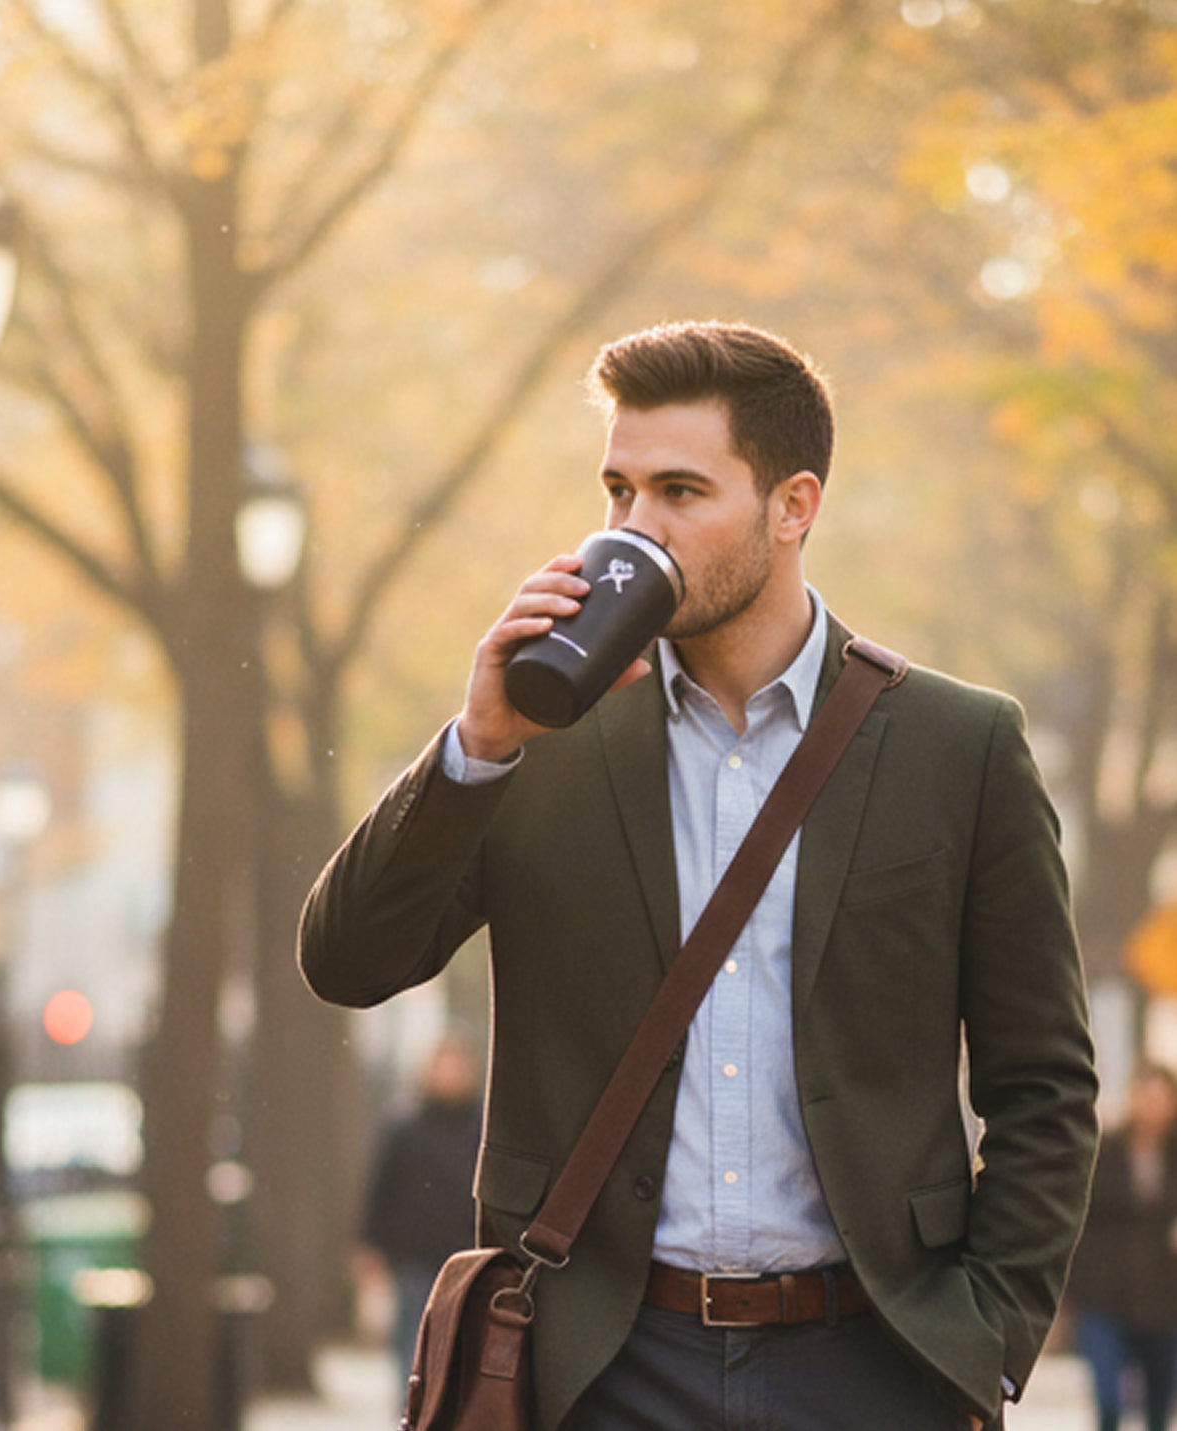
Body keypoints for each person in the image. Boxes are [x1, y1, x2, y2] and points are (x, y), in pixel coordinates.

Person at [298, 320, 1099, 1430]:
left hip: (872, 1361)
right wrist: (478, 744)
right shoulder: (541, 739)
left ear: (792, 506)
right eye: (617, 492)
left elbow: (1042, 1085)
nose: (635, 531)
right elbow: (347, 961)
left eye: (679, 492)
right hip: (601, 1365)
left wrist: (985, 1342)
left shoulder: (955, 748)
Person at [350, 1029, 483, 1383]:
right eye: (444, 1065)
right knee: (412, 1350)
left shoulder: (484, 1129)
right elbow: (380, 1188)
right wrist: (368, 1247)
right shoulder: (403, 1127)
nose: (451, 1073)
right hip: (414, 1259)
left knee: (463, 1351)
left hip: (469, 1258)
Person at [1067, 1062, 1177, 1431]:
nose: (1152, 1106)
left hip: (1164, 1299)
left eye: (1161, 1097)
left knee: (1160, 1408)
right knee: (1109, 1401)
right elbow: (1075, 1218)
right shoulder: (1105, 1151)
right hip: (1104, 1296)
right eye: (1145, 1095)